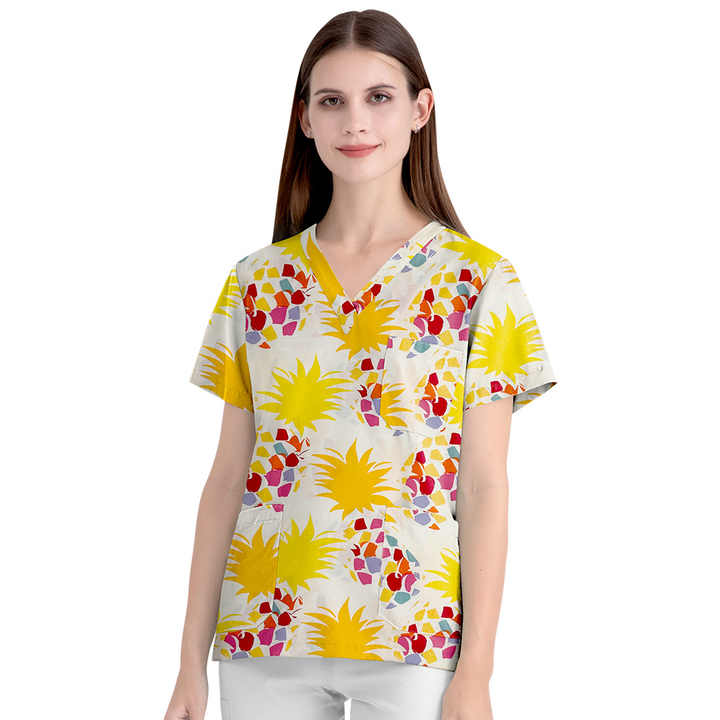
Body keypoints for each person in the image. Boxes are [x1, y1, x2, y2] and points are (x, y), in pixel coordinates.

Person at [164, 9, 558, 720]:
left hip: (416, 636)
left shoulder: (478, 281)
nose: (355, 123)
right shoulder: (257, 282)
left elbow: (484, 486)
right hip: (265, 630)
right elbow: (227, 478)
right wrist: (189, 665)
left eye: (379, 97)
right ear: (305, 119)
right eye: (331, 101)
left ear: (420, 110)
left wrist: (477, 671)